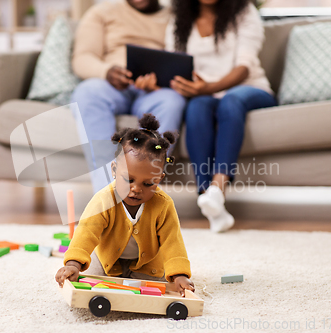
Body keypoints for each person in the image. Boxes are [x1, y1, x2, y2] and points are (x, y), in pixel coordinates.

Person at [136, 0, 277, 233]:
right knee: (197, 107)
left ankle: (218, 189)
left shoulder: (244, 12)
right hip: (202, 94)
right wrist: (159, 85)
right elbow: (174, 67)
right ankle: (209, 200)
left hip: (249, 88)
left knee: (229, 102)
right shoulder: (180, 20)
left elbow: (245, 66)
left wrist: (209, 87)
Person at [55, 114, 195, 296]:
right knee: (88, 278)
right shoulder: (104, 199)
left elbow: (172, 241)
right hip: (108, 260)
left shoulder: (164, 205)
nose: (136, 189)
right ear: (114, 170)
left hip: (146, 264)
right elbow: (86, 233)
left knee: (154, 286)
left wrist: (180, 276)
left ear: (159, 179)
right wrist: (73, 263)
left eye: (148, 184)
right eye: (128, 180)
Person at [71, 0, 186, 194]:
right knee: (86, 92)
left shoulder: (177, 17)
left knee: (172, 102)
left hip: (155, 91)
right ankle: (109, 195)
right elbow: (82, 58)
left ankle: (139, 190)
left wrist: (161, 80)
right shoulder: (101, 13)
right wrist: (106, 71)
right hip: (111, 86)